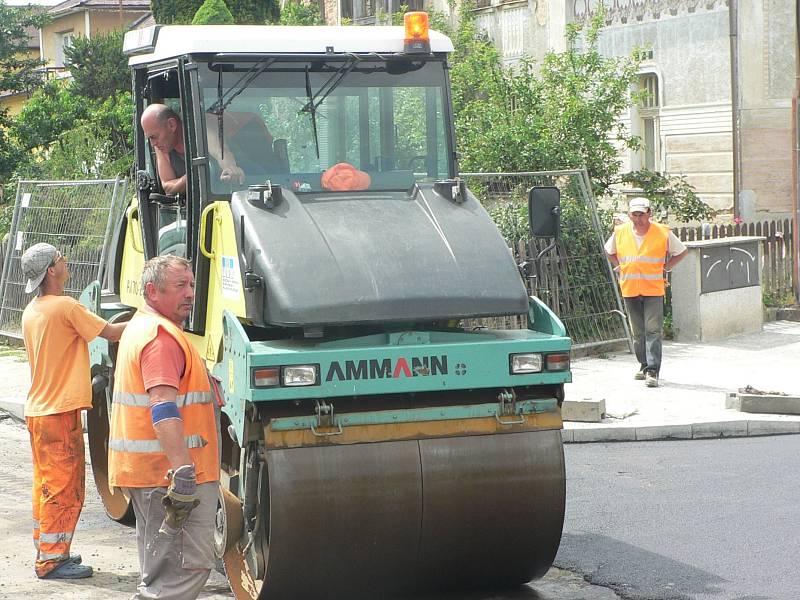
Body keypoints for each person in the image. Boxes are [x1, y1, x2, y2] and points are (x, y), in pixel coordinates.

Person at [108, 255, 219, 600]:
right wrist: (183, 470)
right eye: (180, 286)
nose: (190, 294)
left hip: (153, 474)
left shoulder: (144, 326)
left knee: (161, 572)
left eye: (191, 285)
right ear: (153, 291)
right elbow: (163, 406)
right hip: (169, 477)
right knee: (182, 572)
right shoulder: (160, 338)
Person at [20, 242, 126, 580]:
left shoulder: (32, 311)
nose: (66, 263)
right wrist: (151, 320)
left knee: (46, 485)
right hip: (58, 413)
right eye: (61, 259)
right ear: (51, 270)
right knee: (64, 488)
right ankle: (51, 561)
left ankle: (50, 549)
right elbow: (111, 332)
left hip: (39, 411)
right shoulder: (66, 307)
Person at [605, 197, 688, 388]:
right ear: (629, 215)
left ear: (649, 213)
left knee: (652, 329)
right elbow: (609, 251)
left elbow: (681, 251)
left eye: (642, 214)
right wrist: (618, 267)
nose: (638, 218)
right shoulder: (621, 232)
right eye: (635, 214)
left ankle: (653, 370)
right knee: (638, 332)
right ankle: (643, 365)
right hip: (630, 287)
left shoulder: (662, 232)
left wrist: (666, 268)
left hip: (653, 288)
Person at [140, 103, 245, 195]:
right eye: (150, 138)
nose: (153, 144)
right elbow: (167, 186)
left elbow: (221, 152)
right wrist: (192, 175)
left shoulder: (202, 126)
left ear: (171, 125)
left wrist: (230, 169)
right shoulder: (161, 145)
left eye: (154, 137)